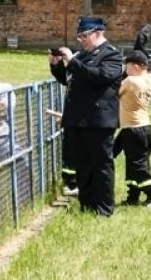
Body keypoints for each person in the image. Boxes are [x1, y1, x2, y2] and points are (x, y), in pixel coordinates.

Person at [48, 16, 125, 216]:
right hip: (77, 119)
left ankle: (104, 208)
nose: (80, 39)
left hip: (98, 120)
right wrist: (57, 65)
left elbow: (98, 77)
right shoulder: (82, 56)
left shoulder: (112, 55)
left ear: (97, 33)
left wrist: (72, 61)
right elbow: (69, 80)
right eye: (79, 36)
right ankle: (87, 204)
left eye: (84, 35)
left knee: (100, 166)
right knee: (82, 165)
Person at [115, 49, 151, 207]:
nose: (125, 69)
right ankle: (133, 196)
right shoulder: (150, 78)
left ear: (135, 66)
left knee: (138, 165)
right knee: (134, 163)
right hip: (144, 127)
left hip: (132, 128)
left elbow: (115, 92)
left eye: (127, 66)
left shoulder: (130, 82)